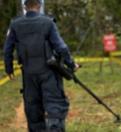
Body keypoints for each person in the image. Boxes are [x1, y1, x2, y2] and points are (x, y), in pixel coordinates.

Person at [4, 0, 78, 131]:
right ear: (39, 5)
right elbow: (61, 47)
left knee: (33, 108)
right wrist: (71, 64)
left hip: (28, 74)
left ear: (25, 6)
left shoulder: (15, 24)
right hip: (49, 72)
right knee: (55, 104)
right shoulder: (48, 22)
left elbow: (8, 49)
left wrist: (8, 68)